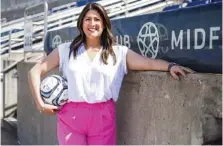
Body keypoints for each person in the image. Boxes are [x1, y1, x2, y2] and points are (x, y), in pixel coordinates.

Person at [28, 2, 193, 145]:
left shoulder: (118, 53)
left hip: (103, 118)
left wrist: (170, 66)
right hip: (71, 118)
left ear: (104, 23)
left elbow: (148, 62)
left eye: (97, 19)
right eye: (88, 19)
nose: (92, 23)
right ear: (81, 23)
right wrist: (40, 104)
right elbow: (35, 71)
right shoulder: (65, 50)